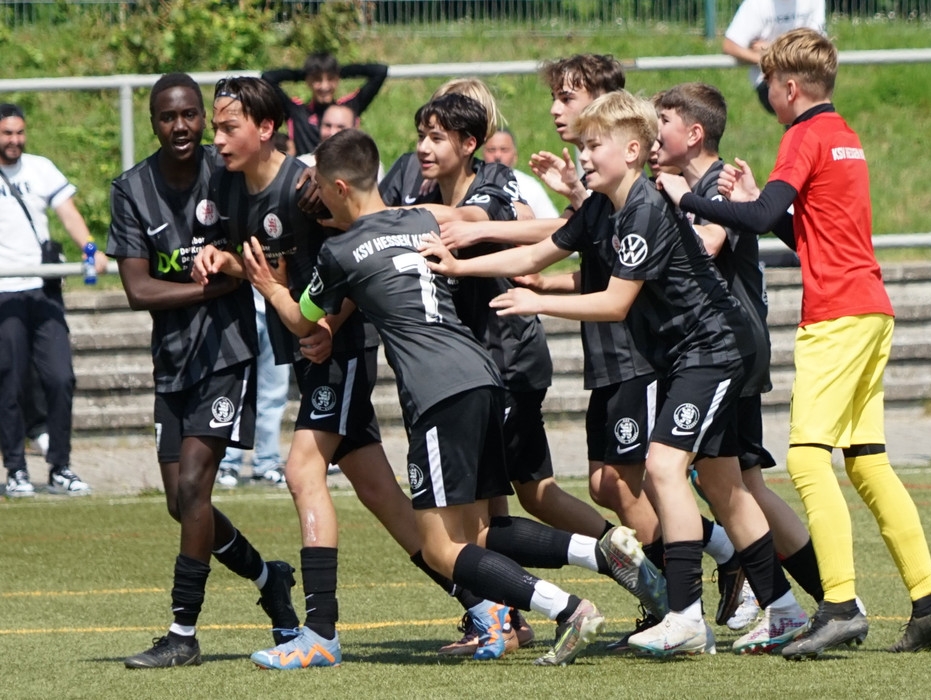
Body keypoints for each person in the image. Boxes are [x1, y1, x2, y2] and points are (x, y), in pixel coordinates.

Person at [421, 89, 809, 658]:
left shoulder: (644, 208)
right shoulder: (604, 205)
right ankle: (784, 610)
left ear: (631, 151)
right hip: (688, 354)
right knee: (722, 482)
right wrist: (460, 266)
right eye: (582, 146)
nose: (582, 155)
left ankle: (685, 618)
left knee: (663, 468)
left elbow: (614, 303)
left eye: (593, 145)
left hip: (714, 348)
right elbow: (538, 254)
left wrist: (538, 303)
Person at [244, 126, 611, 667]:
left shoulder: (340, 251)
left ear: (340, 188)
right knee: (480, 532)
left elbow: (302, 319)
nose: (312, 196)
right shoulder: (421, 218)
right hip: (483, 375)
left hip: (438, 391)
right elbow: (516, 226)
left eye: (318, 186)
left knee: (441, 546)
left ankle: (569, 608)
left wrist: (269, 286)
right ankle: (598, 552)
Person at [661, 28, 931, 658]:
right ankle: (929, 600)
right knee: (868, 462)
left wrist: (694, 200)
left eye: (768, 84)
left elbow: (760, 218)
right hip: (871, 309)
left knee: (805, 461)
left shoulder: (803, 135)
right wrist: (753, 202)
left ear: (789, 87)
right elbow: (805, 234)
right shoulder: (845, 134)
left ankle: (840, 606)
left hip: (836, 316)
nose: (765, 94)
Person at [382, 88, 668, 654]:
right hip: (481, 365)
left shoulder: (492, 183)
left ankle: (617, 566)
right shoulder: (424, 187)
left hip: (505, 362)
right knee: (523, 499)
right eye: (422, 135)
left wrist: (378, 218)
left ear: (470, 139)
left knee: (498, 512)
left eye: (437, 136)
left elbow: (522, 226)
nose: (425, 147)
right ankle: (521, 612)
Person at [106, 73, 300, 669]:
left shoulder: (229, 171)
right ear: (154, 123)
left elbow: (267, 244)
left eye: (191, 114)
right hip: (172, 360)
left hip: (226, 352)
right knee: (180, 502)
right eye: (169, 117)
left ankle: (182, 634)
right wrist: (212, 286)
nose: (183, 126)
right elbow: (138, 289)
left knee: (194, 488)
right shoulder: (132, 189)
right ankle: (269, 578)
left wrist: (230, 274)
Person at [652, 83, 826, 632]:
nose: (654, 135)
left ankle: (811, 598)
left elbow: (709, 241)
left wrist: (676, 201)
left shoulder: (717, 183)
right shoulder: (688, 184)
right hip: (719, 349)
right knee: (734, 482)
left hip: (731, 350)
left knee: (729, 482)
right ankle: (808, 601)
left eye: (662, 123)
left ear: (693, 133)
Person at [0, 102, 104, 498]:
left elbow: (69, 213)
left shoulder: (40, 168)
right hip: (4, 292)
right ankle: (16, 469)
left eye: (19, 132)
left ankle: (60, 466)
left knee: (61, 377)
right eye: (7, 133)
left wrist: (90, 248)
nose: (15, 140)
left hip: (43, 289)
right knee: (10, 381)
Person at [216, 286, 290, 488]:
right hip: (239, 308)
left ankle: (268, 462)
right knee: (236, 388)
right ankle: (228, 462)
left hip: (278, 309)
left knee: (275, 392)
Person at [262, 52, 388, 155]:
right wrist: (304, 73)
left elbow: (380, 71)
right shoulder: (296, 112)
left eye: (331, 79)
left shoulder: (348, 108)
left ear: (337, 79)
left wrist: (339, 71)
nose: (324, 86)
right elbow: (269, 78)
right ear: (308, 81)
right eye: (317, 79)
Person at [722, 0, 825, 113]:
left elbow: (817, 45)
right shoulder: (756, 4)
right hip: (770, 79)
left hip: (808, 74)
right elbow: (730, 46)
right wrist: (770, 61)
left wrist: (772, 49)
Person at [483, 128, 559, 218]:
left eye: (504, 150)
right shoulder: (473, 182)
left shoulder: (530, 187)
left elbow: (551, 221)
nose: (497, 155)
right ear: (483, 154)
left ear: (515, 156)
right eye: (491, 150)